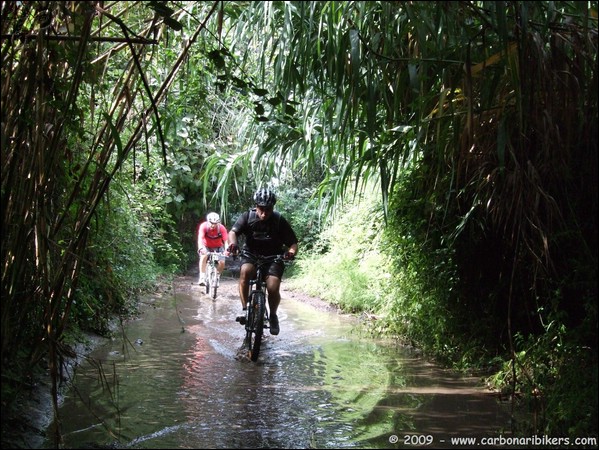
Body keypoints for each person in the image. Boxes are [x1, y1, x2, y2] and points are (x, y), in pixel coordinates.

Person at [227, 187, 298, 335]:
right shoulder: (247, 216)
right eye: (261, 209)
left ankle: (273, 316)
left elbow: (293, 242)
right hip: (250, 255)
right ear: (256, 207)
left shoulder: (279, 220)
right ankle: (245, 310)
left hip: (273, 258)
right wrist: (232, 244)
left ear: (273, 208)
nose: (264, 213)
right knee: (245, 272)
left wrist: (290, 253)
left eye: (268, 210)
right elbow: (233, 232)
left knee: (273, 287)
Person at [197, 212, 228, 286]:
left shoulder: (221, 228)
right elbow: (200, 238)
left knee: (222, 262)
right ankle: (202, 277)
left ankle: (217, 277)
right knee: (204, 256)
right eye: (211, 223)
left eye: (215, 223)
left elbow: (226, 241)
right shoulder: (204, 226)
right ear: (208, 221)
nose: (213, 225)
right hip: (206, 246)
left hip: (218, 247)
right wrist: (201, 248)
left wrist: (227, 250)